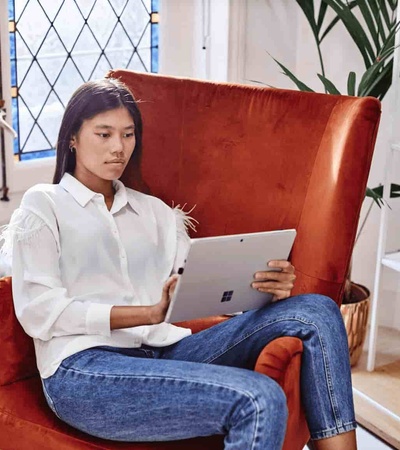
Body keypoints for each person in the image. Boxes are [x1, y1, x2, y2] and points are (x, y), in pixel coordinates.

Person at [1, 79, 358, 450]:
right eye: (103, 134)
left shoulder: (153, 211)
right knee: (259, 398)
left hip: (164, 351)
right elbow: (39, 312)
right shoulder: (45, 204)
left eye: (128, 134)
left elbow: (198, 286)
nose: (118, 148)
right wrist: (145, 313)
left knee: (315, 310)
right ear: (73, 137)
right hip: (83, 370)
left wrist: (263, 288)